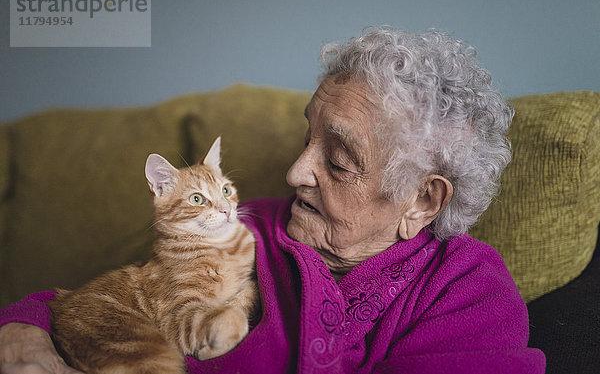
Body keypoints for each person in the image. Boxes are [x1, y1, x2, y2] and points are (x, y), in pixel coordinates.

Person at [0, 27, 546, 374]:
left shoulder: (466, 291)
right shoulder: (250, 226)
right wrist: (28, 329)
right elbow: (125, 298)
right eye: (305, 138)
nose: (294, 172)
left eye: (338, 162)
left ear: (422, 202)